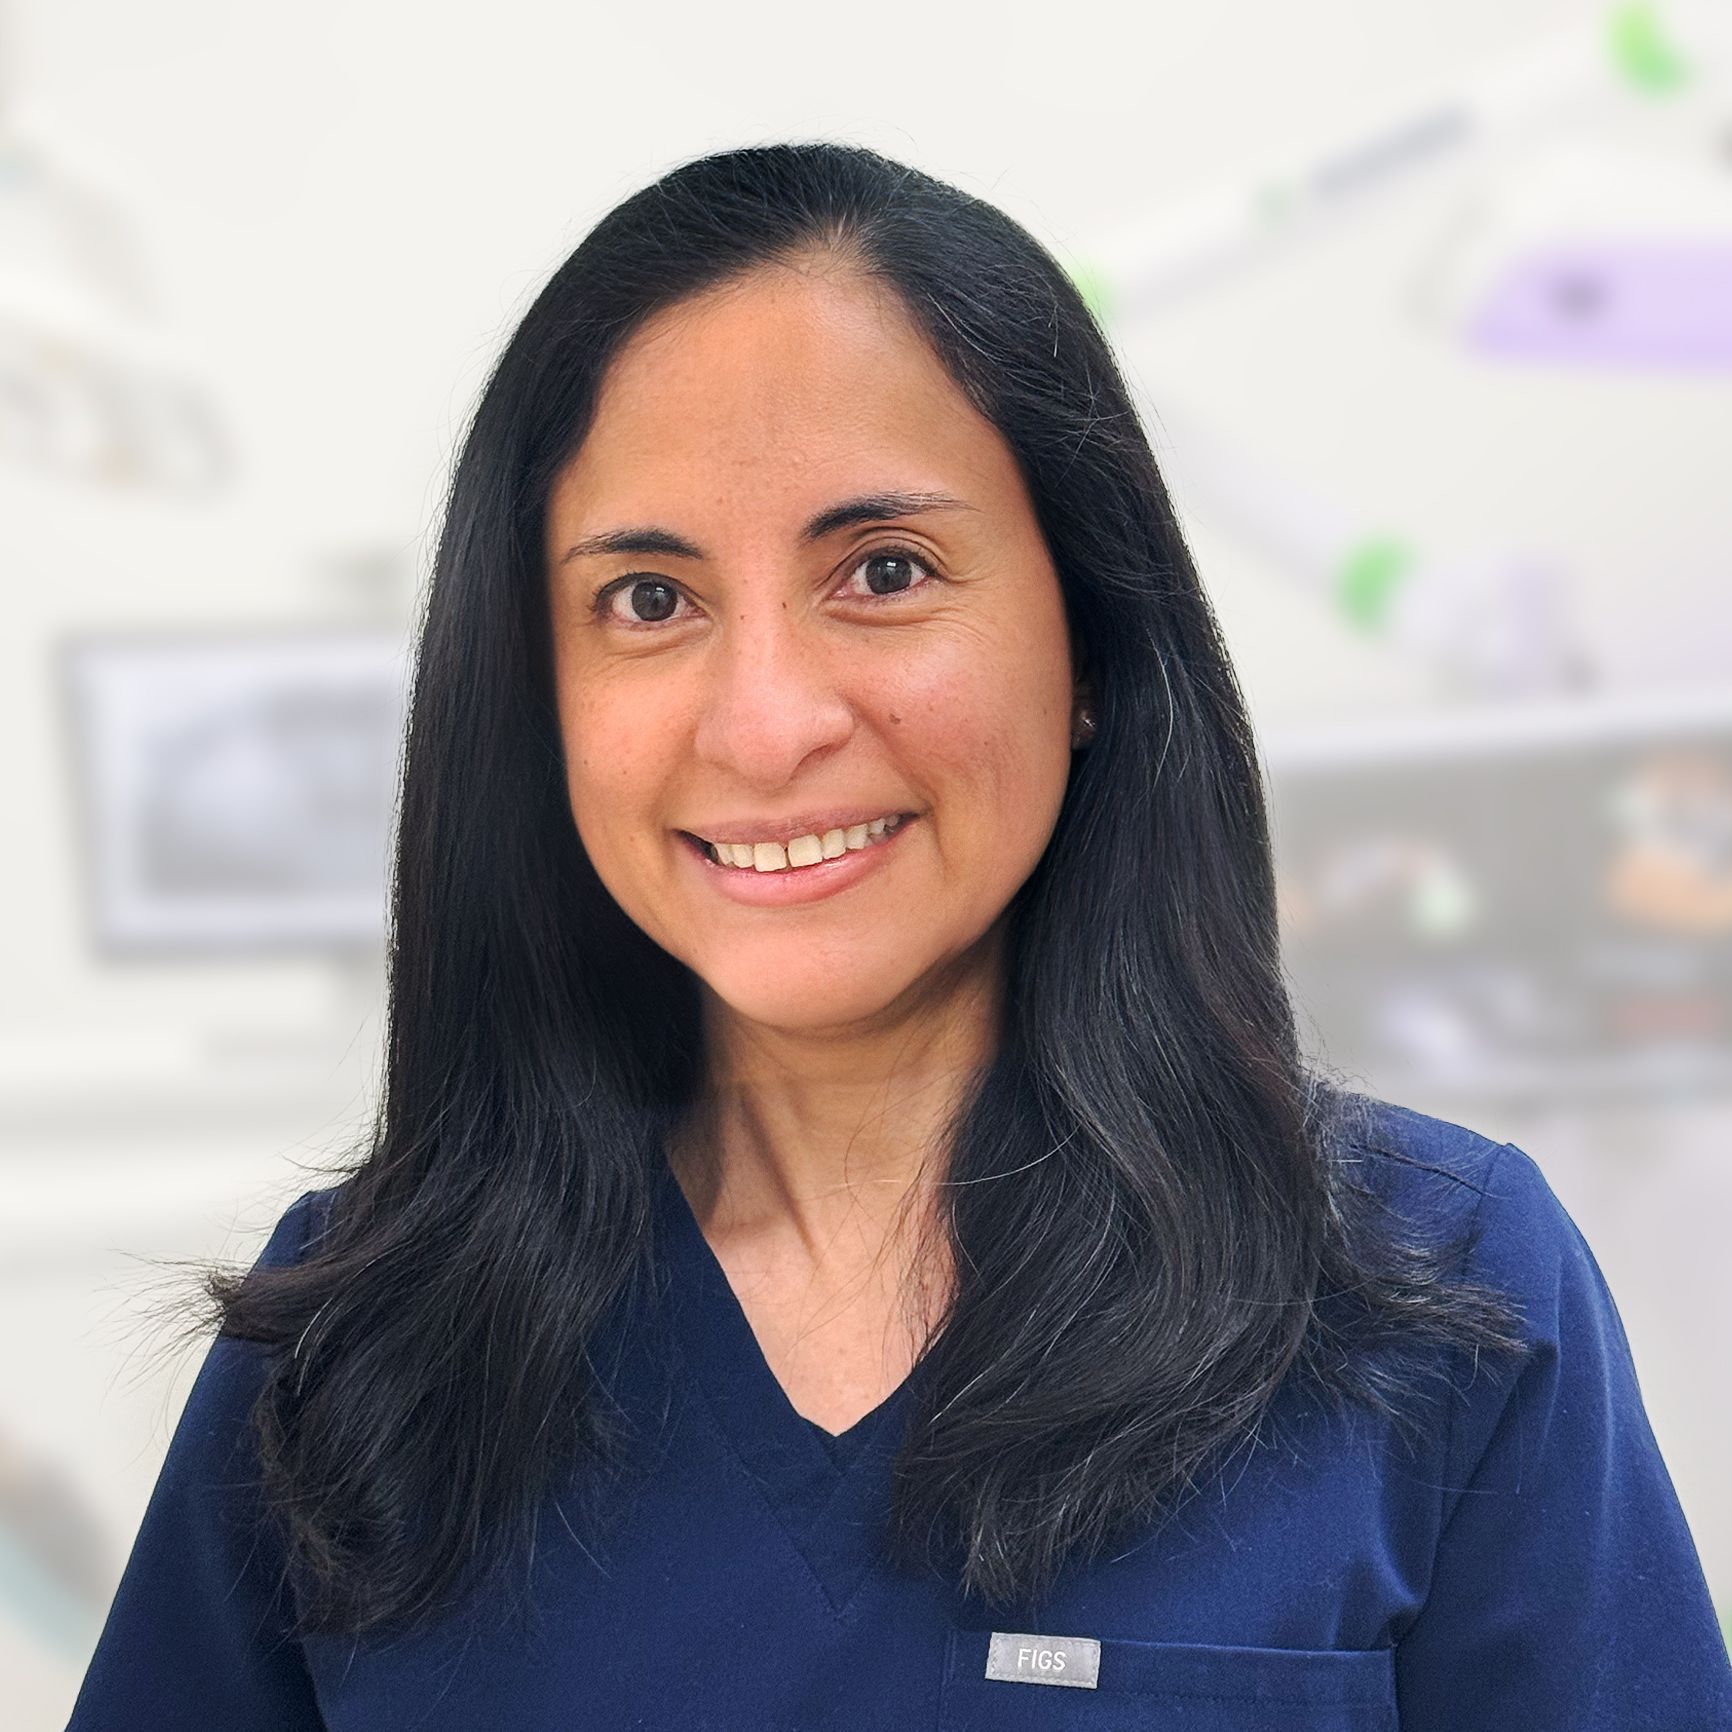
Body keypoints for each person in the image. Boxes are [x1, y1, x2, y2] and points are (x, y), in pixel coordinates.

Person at [67, 141, 1731, 1731]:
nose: (769, 721)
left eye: (882, 568)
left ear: (1089, 641)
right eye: (649, 601)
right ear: (535, 697)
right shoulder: (358, 1343)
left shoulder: (1440, 1289)